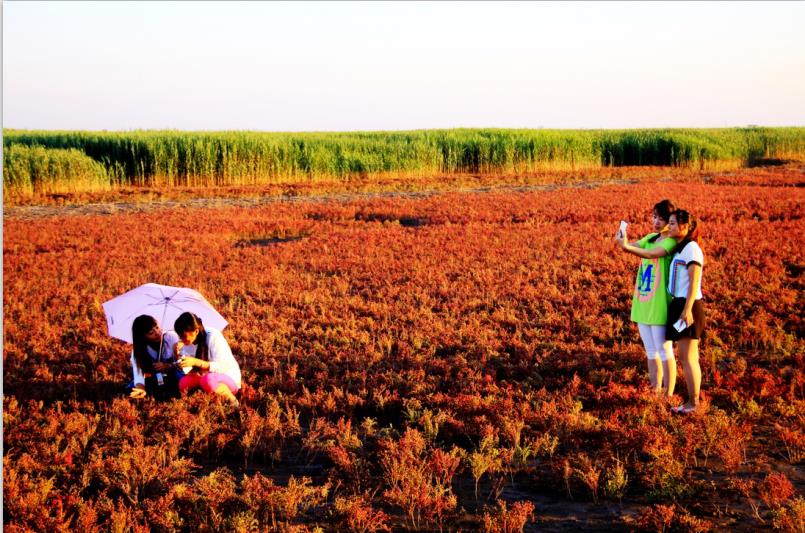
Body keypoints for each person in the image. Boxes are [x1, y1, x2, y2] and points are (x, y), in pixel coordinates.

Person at [615, 200, 678, 397]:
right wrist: (622, 241)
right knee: (651, 352)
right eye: (654, 217)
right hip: (643, 301)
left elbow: (650, 254)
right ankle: (654, 390)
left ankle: (668, 394)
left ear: (671, 221)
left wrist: (626, 247)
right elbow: (633, 247)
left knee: (665, 351)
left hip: (660, 304)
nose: (656, 222)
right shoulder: (651, 237)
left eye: (661, 218)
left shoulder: (671, 242)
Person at [665, 210, 705, 414]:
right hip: (680, 304)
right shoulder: (681, 248)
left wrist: (687, 309)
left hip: (688, 306)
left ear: (685, 226)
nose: (669, 226)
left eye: (672, 223)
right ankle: (692, 402)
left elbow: (694, 281)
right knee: (686, 357)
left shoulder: (692, 249)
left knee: (689, 358)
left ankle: (693, 403)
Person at [173, 312, 241, 406]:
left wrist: (196, 362)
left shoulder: (213, 336)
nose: (181, 339)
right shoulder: (186, 342)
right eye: (179, 336)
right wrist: (181, 361)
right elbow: (189, 365)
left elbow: (223, 366)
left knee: (208, 380)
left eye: (183, 336)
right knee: (183, 383)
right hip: (204, 376)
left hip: (227, 376)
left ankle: (232, 400)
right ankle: (202, 402)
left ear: (196, 331)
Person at [129, 315, 181, 401]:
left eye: (157, 327)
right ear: (143, 337)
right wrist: (141, 387)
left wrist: (168, 366)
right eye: (151, 333)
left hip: (174, 372)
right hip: (153, 376)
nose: (157, 333)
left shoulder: (171, 337)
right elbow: (138, 372)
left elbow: (181, 363)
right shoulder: (138, 350)